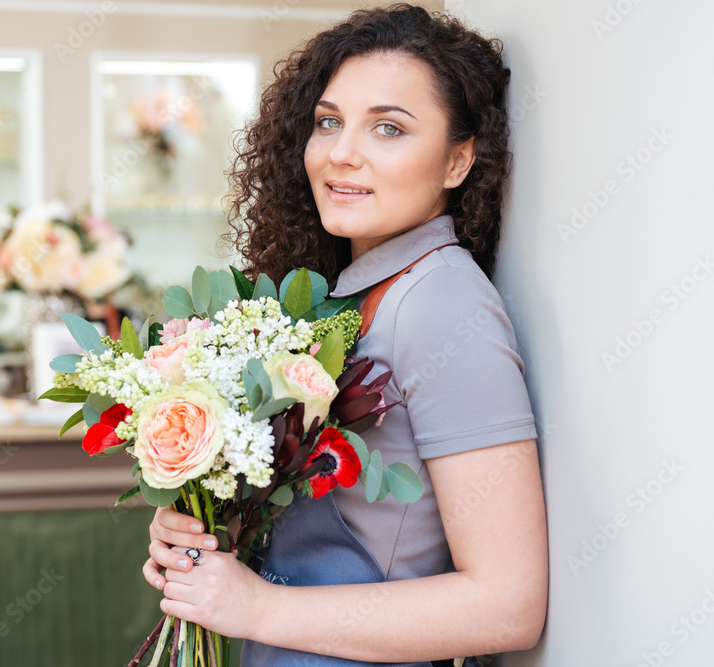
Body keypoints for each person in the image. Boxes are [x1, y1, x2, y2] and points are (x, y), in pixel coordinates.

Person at [142, 5, 548, 666]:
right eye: (328, 121)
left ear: (457, 160)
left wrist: (257, 604)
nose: (341, 152)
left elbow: (509, 602)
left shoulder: (443, 303)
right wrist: (203, 533)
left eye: (388, 128)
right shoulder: (346, 295)